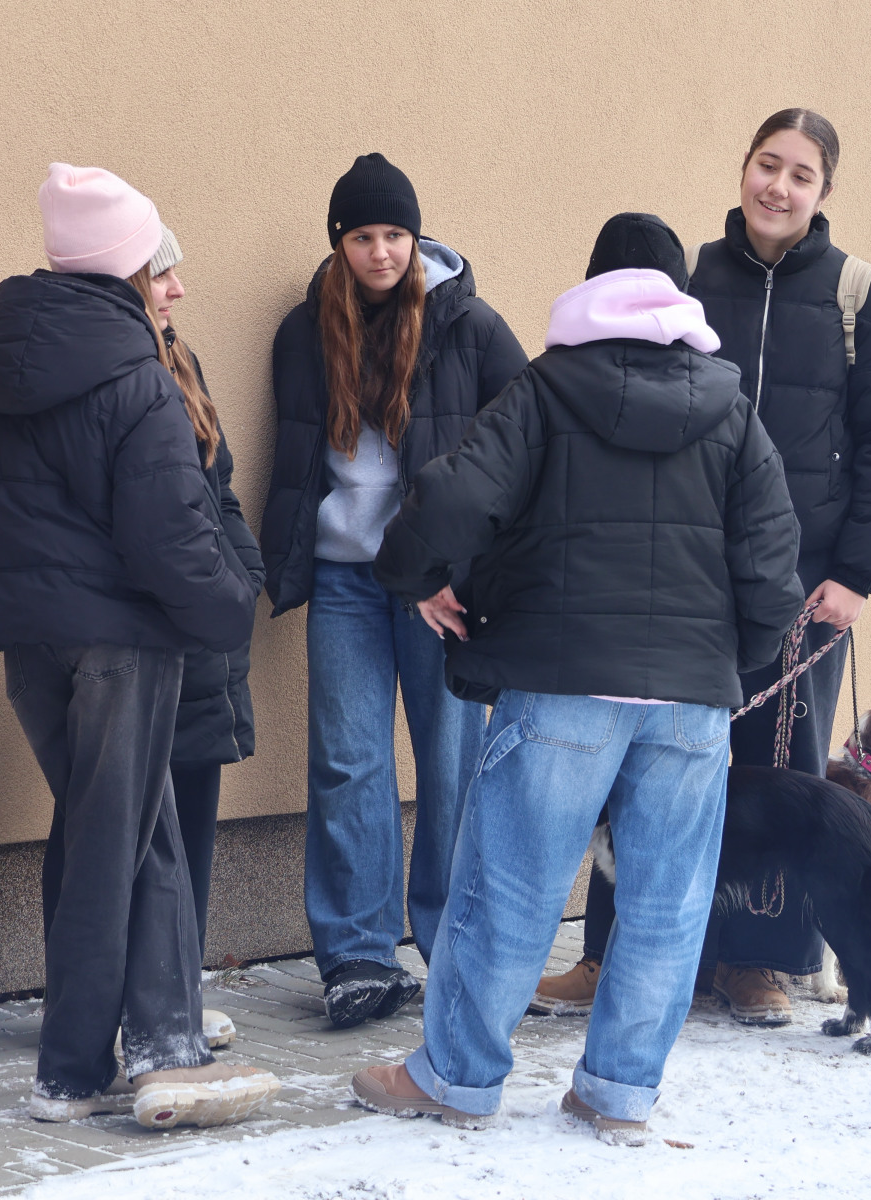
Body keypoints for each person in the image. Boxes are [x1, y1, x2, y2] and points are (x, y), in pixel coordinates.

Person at [350, 213, 803, 1142]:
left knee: (510, 892)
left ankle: (456, 1079)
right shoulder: (731, 406)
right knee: (668, 904)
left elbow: (453, 495)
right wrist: (727, 660)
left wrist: (416, 579)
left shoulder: (545, 389)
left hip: (561, 688)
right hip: (689, 702)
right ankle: (617, 1094)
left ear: (593, 286)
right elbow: (772, 562)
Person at [533, 107, 871, 1028]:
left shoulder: (861, 297)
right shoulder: (693, 280)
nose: (777, 187)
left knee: (777, 767)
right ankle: (610, 954)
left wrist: (858, 573)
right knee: (646, 761)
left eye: (800, 174)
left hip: (805, 587)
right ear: (744, 167)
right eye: (766, 164)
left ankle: (758, 963)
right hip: (684, 571)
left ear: (825, 191)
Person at [0, 163, 279, 1128]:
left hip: (29, 644)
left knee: (133, 832)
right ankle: (83, 1071)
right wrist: (233, 609)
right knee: (115, 844)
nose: (177, 289)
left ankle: (153, 1051)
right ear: (123, 271)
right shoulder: (135, 377)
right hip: (124, 644)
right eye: (160, 270)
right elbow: (173, 534)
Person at [260, 154, 527, 1029]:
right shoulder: (304, 332)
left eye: (395, 236)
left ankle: (454, 946)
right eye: (362, 237)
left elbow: (524, 446)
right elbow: (298, 459)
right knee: (348, 762)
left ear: (416, 239)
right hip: (346, 577)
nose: (380, 252)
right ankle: (358, 957)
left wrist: (483, 564)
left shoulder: (471, 326)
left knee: (451, 763)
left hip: (437, 582)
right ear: (339, 243)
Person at [34, 225, 264, 1054]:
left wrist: (243, 571)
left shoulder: (179, 359)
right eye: (160, 274)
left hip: (196, 615)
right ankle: (89, 1004)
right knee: (104, 817)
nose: (176, 289)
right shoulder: (104, 370)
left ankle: (175, 993)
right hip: (142, 620)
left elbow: (215, 484)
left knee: (188, 804)